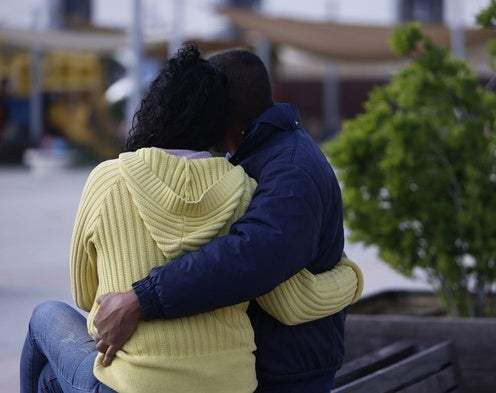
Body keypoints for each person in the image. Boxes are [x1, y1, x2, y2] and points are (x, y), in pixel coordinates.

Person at [20, 44, 362, 393]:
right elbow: (280, 288)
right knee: (51, 376)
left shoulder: (284, 171)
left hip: (287, 376)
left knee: (45, 322)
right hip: (240, 379)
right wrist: (348, 276)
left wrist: (139, 298)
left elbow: (255, 262)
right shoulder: (243, 182)